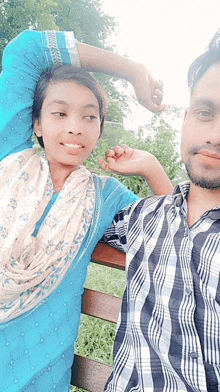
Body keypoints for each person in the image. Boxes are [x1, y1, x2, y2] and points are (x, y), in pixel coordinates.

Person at [0, 30, 172, 392]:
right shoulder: (7, 156)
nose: (75, 127)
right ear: (36, 124)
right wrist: (133, 71)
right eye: (59, 113)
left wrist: (151, 167)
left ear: (99, 129)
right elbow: (26, 50)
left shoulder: (105, 196)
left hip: (38, 379)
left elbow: (177, 235)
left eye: (90, 117)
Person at [101, 29, 220, 392]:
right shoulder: (143, 218)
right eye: (205, 112)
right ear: (185, 119)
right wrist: (152, 168)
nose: (215, 134)